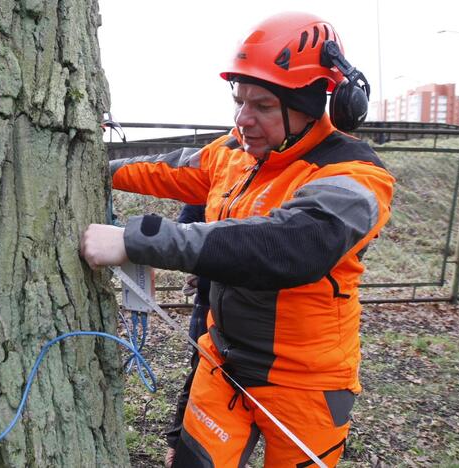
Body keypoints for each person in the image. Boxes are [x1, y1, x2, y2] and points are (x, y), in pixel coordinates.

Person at [80, 12, 395, 467]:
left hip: (307, 382)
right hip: (223, 364)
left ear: (310, 106)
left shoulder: (355, 177)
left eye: (263, 105)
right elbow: (170, 167)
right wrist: (93, 167)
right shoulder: (235, 153)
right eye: (239, 100)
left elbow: (288, 248)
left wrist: (139, 240)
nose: (243, 119)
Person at [164, 205, 210, 468]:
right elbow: (184, 229)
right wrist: (202, 275)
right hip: (209, 304)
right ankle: (178, 444)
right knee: (199, 375)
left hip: (249, 308)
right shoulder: (210, 184)